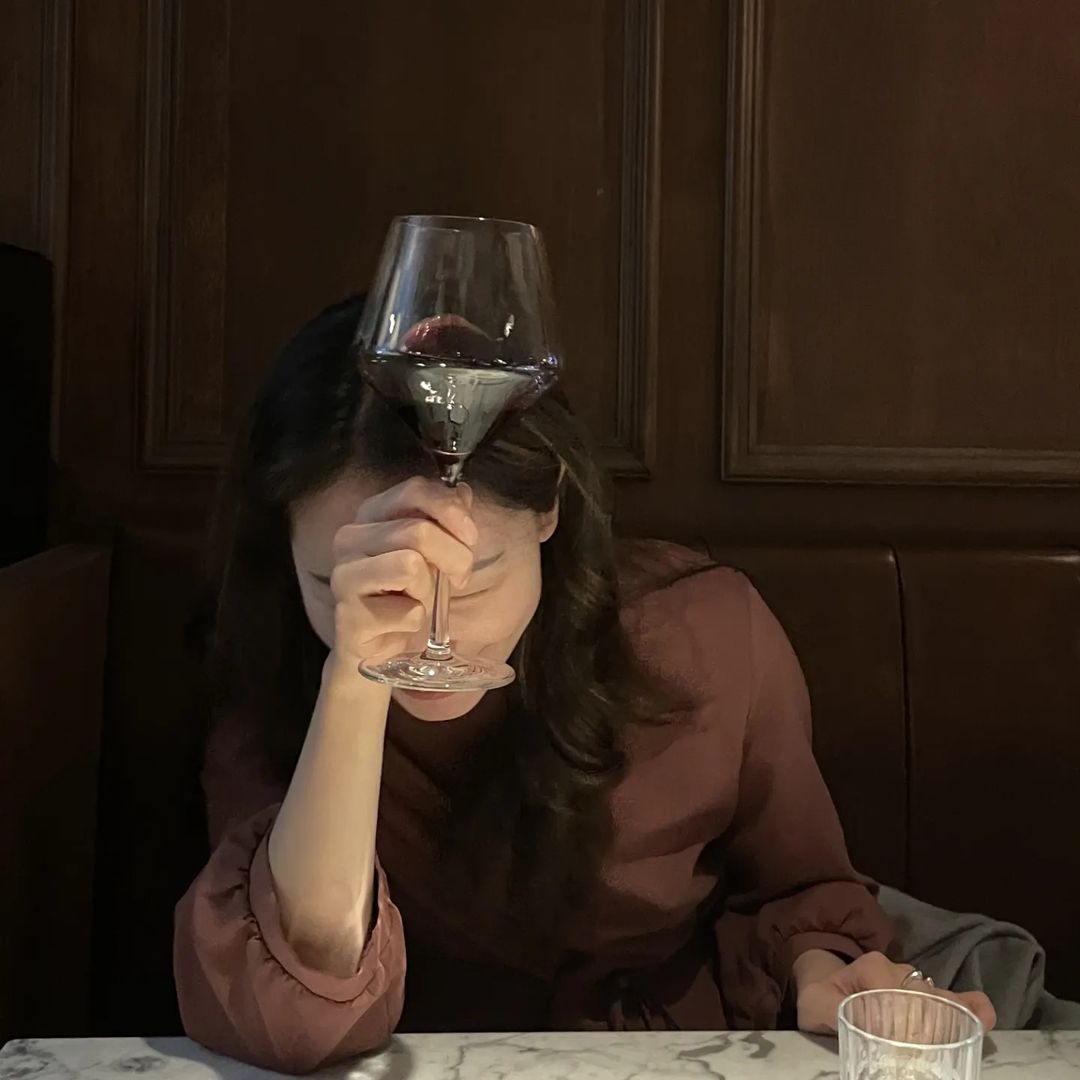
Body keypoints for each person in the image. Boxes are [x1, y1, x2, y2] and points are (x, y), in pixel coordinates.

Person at [174, 296, 994, 1074]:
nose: (425, 632)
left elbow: (796, 887)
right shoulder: (274, 683)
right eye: (344, 584)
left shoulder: (701, 637)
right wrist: (354, 678)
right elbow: (295, 1010)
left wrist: (820, 968)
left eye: (471, 579)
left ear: (548, 512)